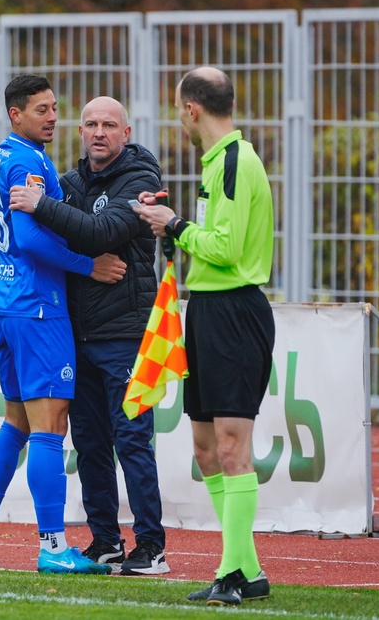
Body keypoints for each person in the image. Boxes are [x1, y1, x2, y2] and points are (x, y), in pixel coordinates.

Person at [0, 96, 169, 576]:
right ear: (79, 131)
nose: (98, 132)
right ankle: (106, 541)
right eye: (89, 123)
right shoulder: (67, 183)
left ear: (126, 133)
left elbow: (98, 233)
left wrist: (41, 204)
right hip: (77, 333)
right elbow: (43, 241)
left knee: (132, 439)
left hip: (125, 333)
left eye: (109, 125)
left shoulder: (141, 180)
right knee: (89, 443)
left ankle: (151, 546)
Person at [0, 74, 126, 576]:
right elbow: (31, 238)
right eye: (41, 110)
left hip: (12, 302)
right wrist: (88, 265)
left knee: (16, 423)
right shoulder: (27, 160)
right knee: (50, 428)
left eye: (55, 108)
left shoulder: (7, 153)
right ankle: (53, 546)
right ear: (16, 114)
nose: (52, 117)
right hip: (38, 306)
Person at [134, 66, 275, 606]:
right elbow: (210, 242)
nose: (179, 120)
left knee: (234, 447)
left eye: (177, 110)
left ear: (191, 109)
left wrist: (174, 225)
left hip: (235, 311)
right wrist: (171, 235)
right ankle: (248, 571)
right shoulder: (217, 162)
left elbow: (228, 248)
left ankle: (231, 574)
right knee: (206, 447)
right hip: (210, 311)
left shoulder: (236, 162)